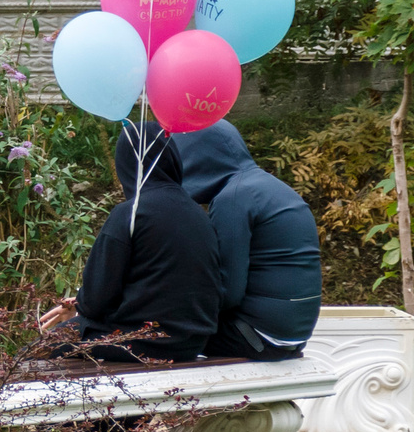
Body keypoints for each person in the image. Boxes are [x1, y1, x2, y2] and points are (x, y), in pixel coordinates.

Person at [35, 121, 221, 363]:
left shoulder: (131, 213)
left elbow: (96, 302)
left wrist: (82, 305)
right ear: (173, 158)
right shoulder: (199, 213)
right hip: (190, 343)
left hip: (144, 342)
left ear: (125, 163)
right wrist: (83, 303)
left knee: (38, 350)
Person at [175, 120, 323, 362]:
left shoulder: (233, 197)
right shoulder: (271, 187)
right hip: (291, 338)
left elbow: (227, 291)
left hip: (258, 338)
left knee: (154, 336)